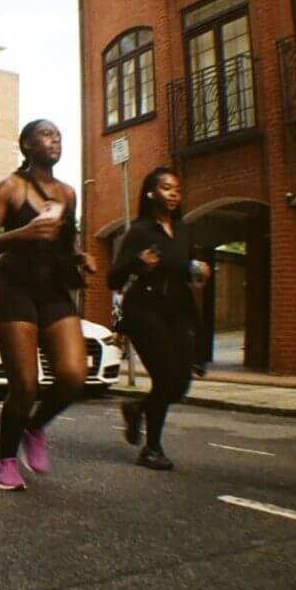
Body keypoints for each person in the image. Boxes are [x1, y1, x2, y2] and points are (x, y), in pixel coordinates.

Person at [0, 119, 95, 491]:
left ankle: (35, 426)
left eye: (59, 135)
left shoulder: (68, 193)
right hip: (15, 288)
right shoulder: (11, 188)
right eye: (46, 134)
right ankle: (4, 460)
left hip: (54, 288)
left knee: (73, 375)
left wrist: (79, 257)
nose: (55, 139)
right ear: (26, 145)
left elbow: (67, 242)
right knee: (24, 384)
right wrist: (22, 233)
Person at [107, 167, 210, 471]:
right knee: (164, 377)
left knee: (180, 382)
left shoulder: (184, 230)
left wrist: (199, 272)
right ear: (152, 193)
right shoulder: (140, 231)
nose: (174, 193)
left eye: (177, 189)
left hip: (178, 310)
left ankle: (137, 408)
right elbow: (113, 279)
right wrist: (137, 263)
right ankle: (151, 448)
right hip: (144, 309)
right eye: (167, 188)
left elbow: (185, 269)